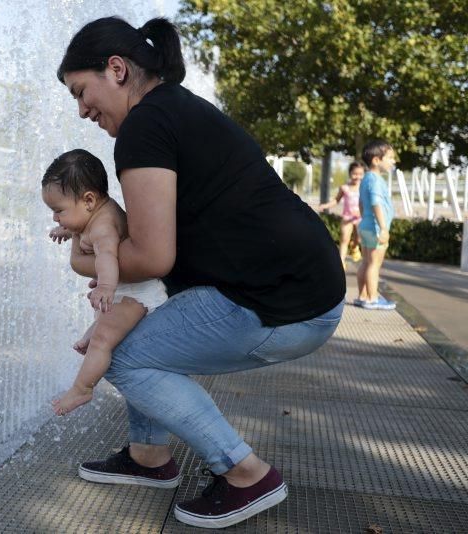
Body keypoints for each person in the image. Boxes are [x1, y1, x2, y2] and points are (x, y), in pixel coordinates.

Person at [56, 16, 345, 528]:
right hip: (302, 287)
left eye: (82, 91)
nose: (82, 111)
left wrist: (80, 259)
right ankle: (148, 457)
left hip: (282, 304)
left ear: (117, 69)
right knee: (141, 329)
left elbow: (151, 257)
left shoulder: (145, 127)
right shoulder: (175, 109)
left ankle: (245, 473)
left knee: (121, 353)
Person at [42, 149, 168, 416]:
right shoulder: (95, 214)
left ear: (88, 200)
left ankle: (83, 388)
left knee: (103, 341)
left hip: (137, 293)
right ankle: (94, 329)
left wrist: (106, 286)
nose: (55, 217)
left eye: (59, 211)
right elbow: (82, 228)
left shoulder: (102, 227)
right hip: (130, 289)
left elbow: (109, 256)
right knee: (103, 315)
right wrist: (68, 228)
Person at [355, 140, 397, 310]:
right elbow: (376, 203)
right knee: (374, 264)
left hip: (366, 225)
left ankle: (363, 296)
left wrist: (363, 219)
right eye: (390, 158)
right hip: (376, 228)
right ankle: (373, 298)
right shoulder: (376, 180)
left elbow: (361, 203)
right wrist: (384, 228)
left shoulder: (366, 179)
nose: (393, 161)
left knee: (365, 262)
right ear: (376, 160)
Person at [319, 161, 365, 269]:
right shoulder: (344, 188)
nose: (357, 177)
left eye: (360, 174)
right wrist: (326, 205)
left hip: (360, 218)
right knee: (344, 240)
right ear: (350, 173)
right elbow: (336, 200)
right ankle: (341, 262)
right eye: (355, 174)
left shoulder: (364, 187)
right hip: (347, 218)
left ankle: (354, 247)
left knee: (358, 239)